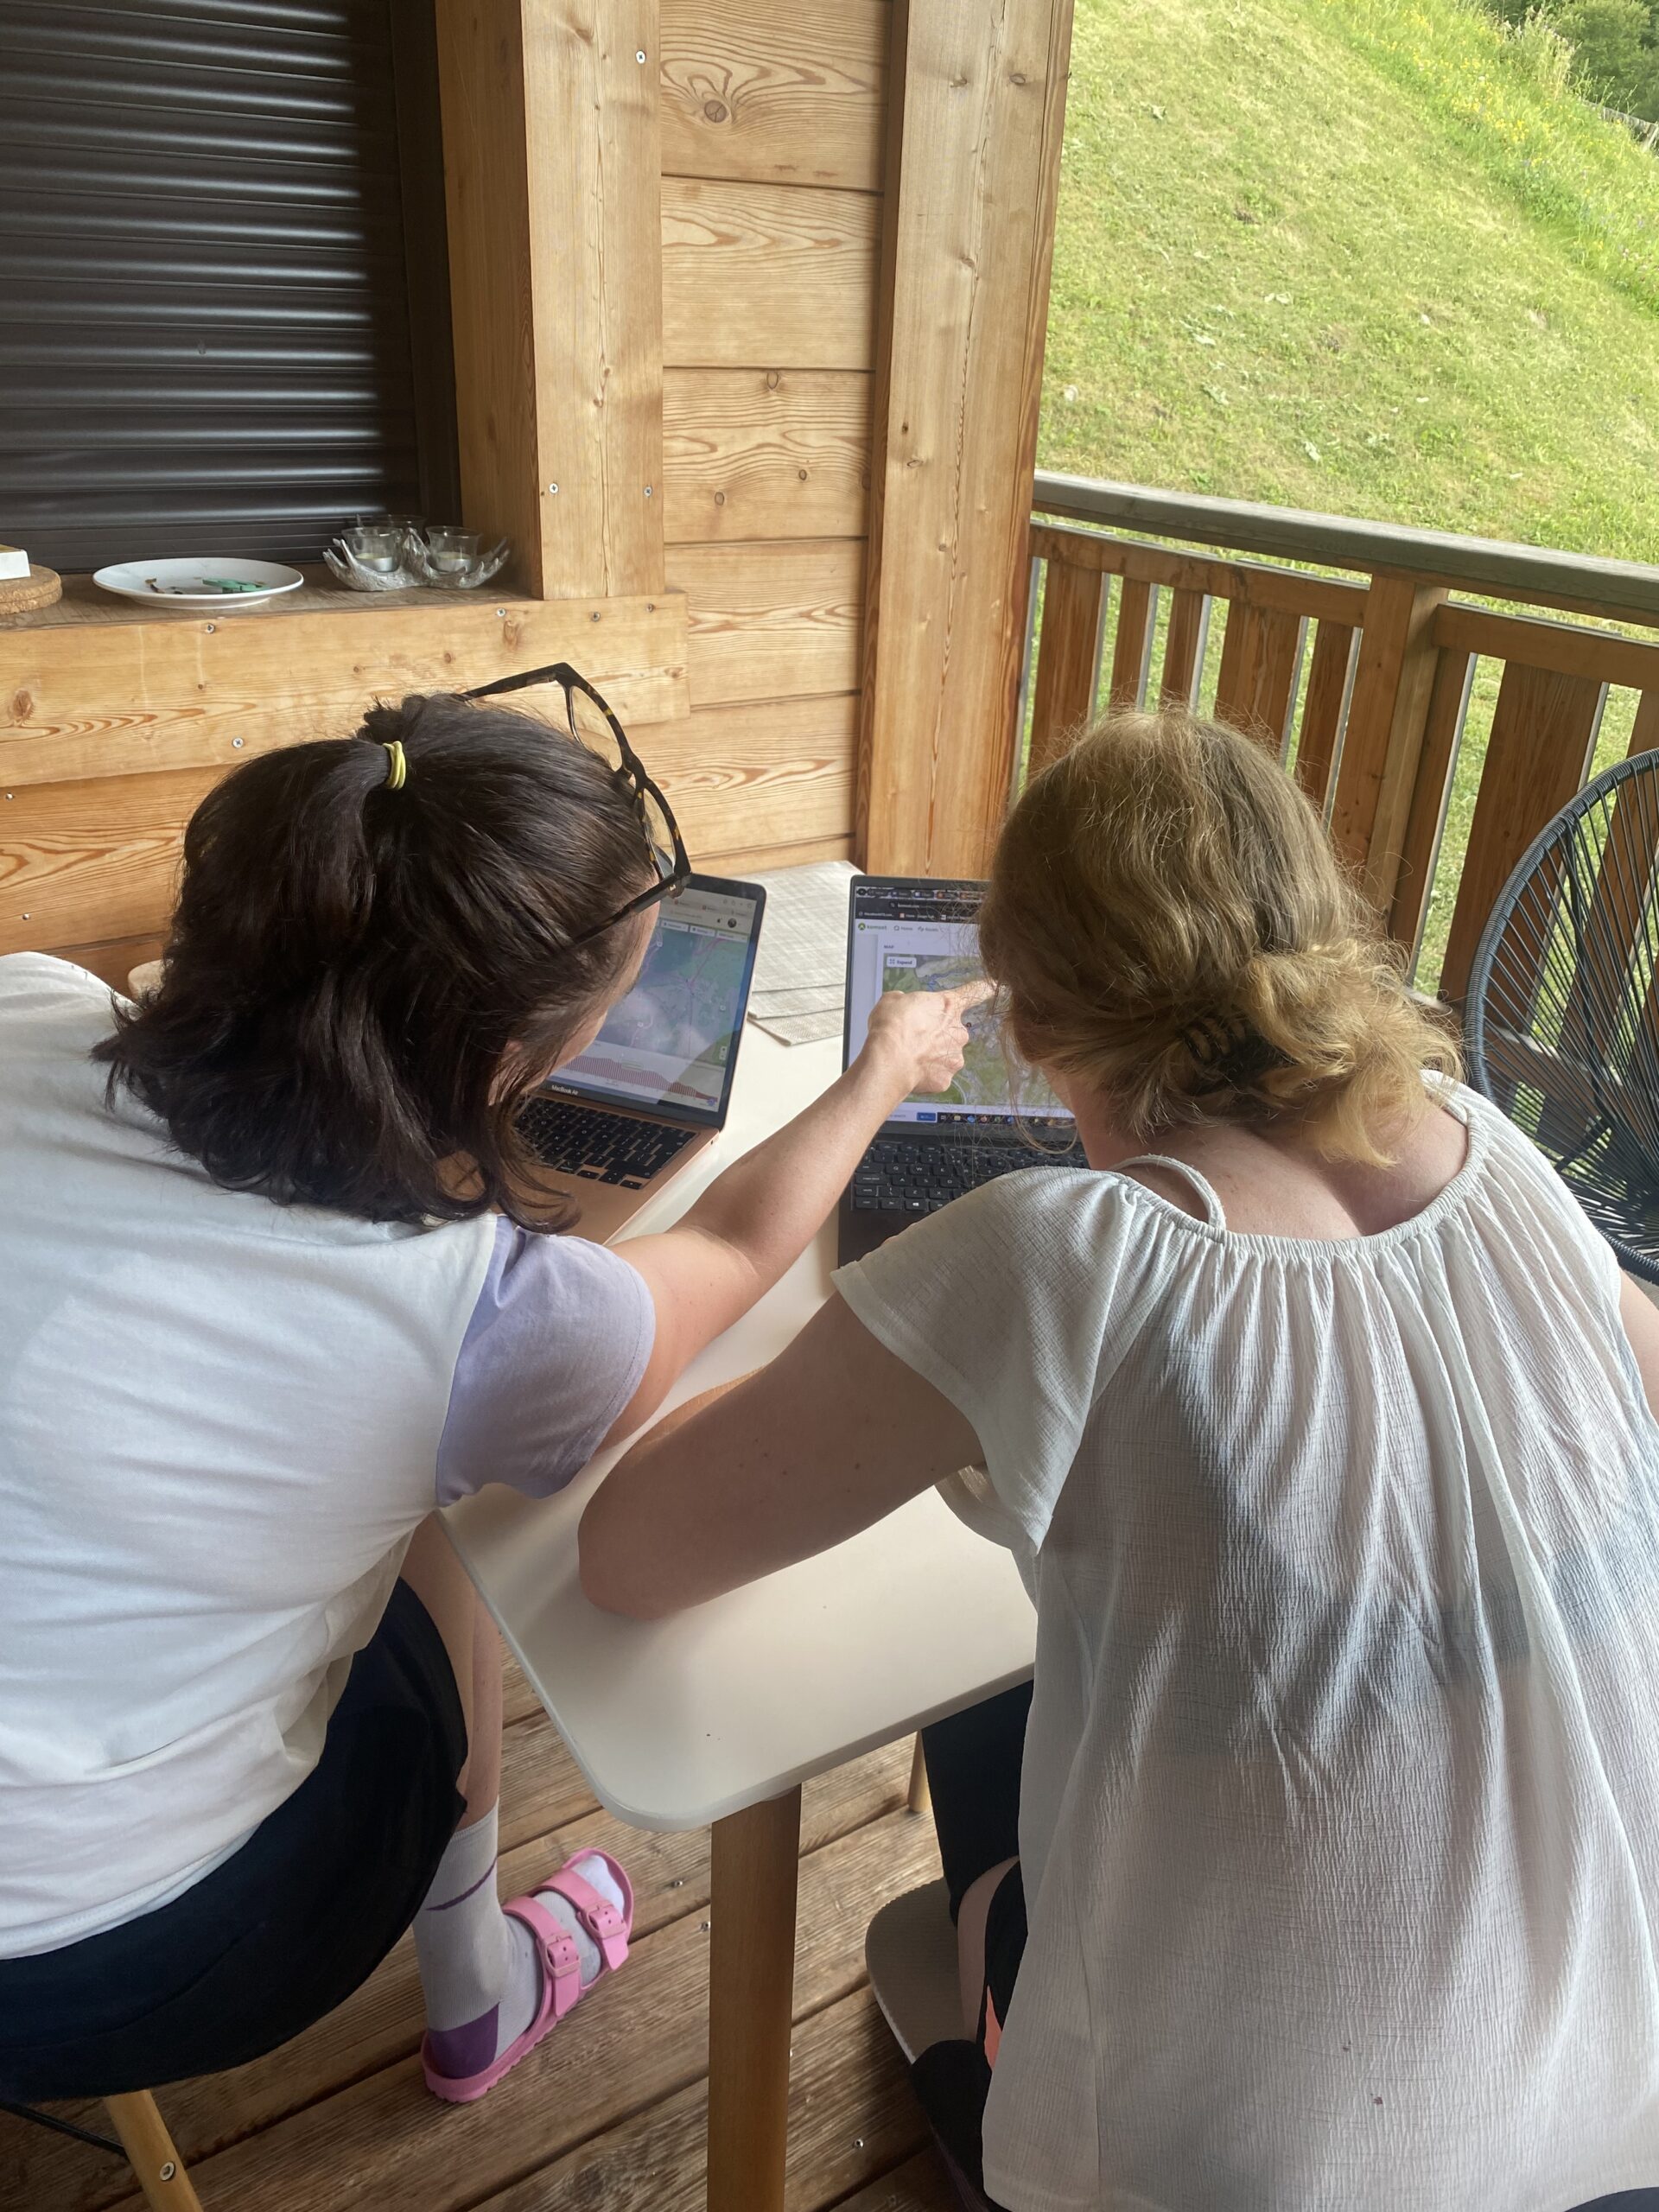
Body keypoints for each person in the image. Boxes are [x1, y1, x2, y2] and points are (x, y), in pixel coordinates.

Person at [580, 706, 1659, 2212]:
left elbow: (627, 1554)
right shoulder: (1501, 1155)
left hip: (1253, 2167)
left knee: (980, 1763)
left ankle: (985, 2050)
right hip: (1617, 2084)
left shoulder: (1058, 1259)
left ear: (1023, 1017)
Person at [0, 672, 980, 2107]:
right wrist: (886, 1065)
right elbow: (722, 1244)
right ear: (508, 1067)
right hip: (108, 1963)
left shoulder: (26, 999)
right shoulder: (489, 1316)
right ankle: (480, 1990)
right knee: (440, 1525)